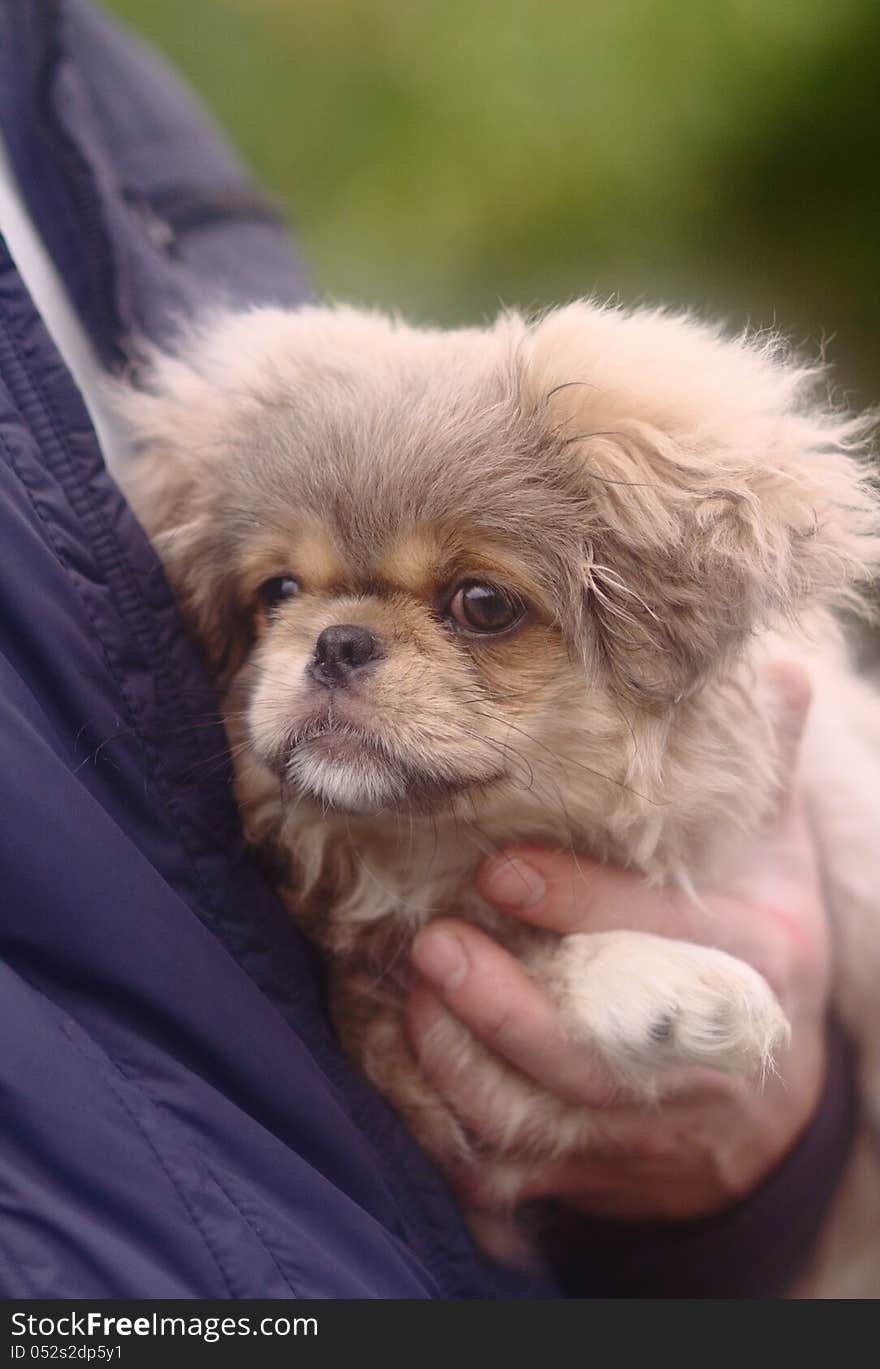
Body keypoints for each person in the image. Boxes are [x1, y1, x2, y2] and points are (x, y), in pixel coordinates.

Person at [0, 0, 855, 1299]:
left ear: (673, 612)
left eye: (478, 605)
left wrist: (768, 1169)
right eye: (281, 587)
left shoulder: (91, 93)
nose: (338, 645)